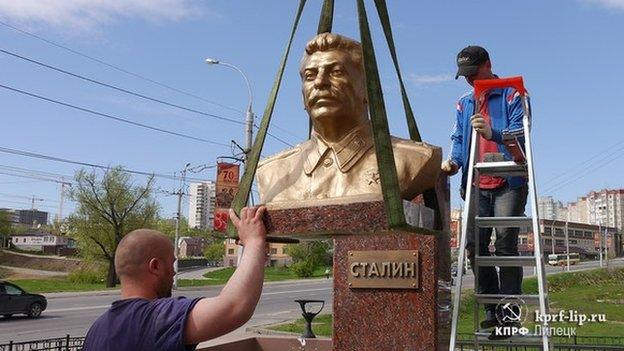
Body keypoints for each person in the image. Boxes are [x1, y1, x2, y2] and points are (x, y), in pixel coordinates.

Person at [257, 33, 441, 204]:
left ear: (368, 89)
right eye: (310, 76)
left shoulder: (412, 159)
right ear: (302, 95)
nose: (320, 82)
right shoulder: (271, 172)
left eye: (336, 72)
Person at [83, 206, 267, 351]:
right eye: (171, 265)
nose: (174, 273)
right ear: (155, 266)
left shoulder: (97, 329)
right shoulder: (153, 318)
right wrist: (254, 241)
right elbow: (234, 307)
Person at [441, 46, 528, 338]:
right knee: (475, 248)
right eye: (464, 75)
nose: (469, 80)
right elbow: (458, 137)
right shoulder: (465, 103)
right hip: (477, 183)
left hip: (508, 181)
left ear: (489, 65)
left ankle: (510, 314)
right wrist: (454, 161)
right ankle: (492, 307)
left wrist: (494, 134)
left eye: (473, 73)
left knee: (505, 246)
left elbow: (522, 135)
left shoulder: (512, 94)